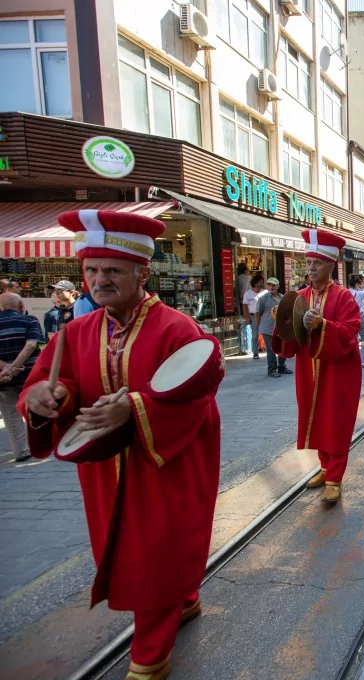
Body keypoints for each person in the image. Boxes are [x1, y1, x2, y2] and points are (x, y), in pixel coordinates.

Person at [20, 209, 224, 680]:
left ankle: (149, 658)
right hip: (104, 474)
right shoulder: (74, 332)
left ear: (141, 272)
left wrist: (135, 408)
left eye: (112, 270)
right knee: (135, 553)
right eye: (91, 270)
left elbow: (201, 398)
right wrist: (46, 396)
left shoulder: (177, 329)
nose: (99, 280)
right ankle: (185, 598)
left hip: (166, 465)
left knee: (158, 554)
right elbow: (52, 381)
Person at [273, 230, 362, 505]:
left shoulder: (344, 297)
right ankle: (324, 469)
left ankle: (335, 479)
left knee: (336, 422)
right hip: (308, 372)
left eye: (317, 263)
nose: (311, 269)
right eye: (308, 263)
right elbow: (288, 341)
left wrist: (321, 325)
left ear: (331, 265)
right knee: (316, 420)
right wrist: (282, 321)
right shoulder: (298, 296)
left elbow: (350, 331)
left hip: (339, 372)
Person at [0, 293, 41, 462]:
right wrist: (15, 366)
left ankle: (21, 451)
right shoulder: (30, 320)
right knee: (34, 408)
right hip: (28, 374)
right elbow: (31, 344)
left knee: (10, 413)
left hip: (3, 378)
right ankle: (40, 445)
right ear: (21, 305)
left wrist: (6, 369)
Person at [255, 278, 291, 378]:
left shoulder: (282, 297)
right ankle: (272, 370)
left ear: (278, 286)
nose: (272, 287)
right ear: (266, 286)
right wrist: (260, 326)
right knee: (271, 350)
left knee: (282, 348)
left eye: (274, 285)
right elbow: (257, 314)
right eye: (269, 285)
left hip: (281, 327)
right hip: (268, 328)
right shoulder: (263, 299)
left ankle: (282, 367)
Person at [243, 275, 264, 360]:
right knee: (255, 334)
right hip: (254, 315)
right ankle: (255, 352)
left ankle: (268, 349)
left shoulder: (264, 292)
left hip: (264, 315)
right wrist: (247, 317)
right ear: (255, 283)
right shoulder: (248, 293)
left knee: (267, 333)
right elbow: (244, 306)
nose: (262, 283)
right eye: (260, 282)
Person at [235, 262, 252, 353]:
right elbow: (244, 291)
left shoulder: (239, 278)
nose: (250, 272)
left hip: (243, 301)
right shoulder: (244, 278)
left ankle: (247, 345)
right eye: (249, 271)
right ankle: (247, 346)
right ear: (245, 271)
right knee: (246, 322)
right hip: (246, 302)